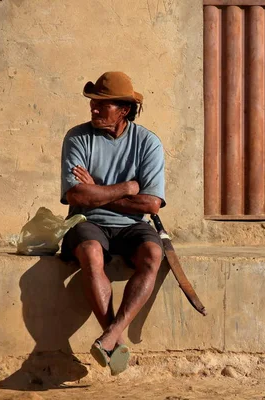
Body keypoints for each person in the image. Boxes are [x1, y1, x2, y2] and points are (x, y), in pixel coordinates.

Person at [60, 71, 165, 376]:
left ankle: (110, 335)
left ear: (124, 110)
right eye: (92, 103)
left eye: (101, 105)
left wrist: (99, 190)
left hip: (132, 223)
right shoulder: (77, 137)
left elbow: (151, 204)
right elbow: (76, 194)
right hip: (86, 220)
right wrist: (126, 187)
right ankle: (113, 339)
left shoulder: (148, 143)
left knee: (153, 255)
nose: (93, 109)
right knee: (91, 252)